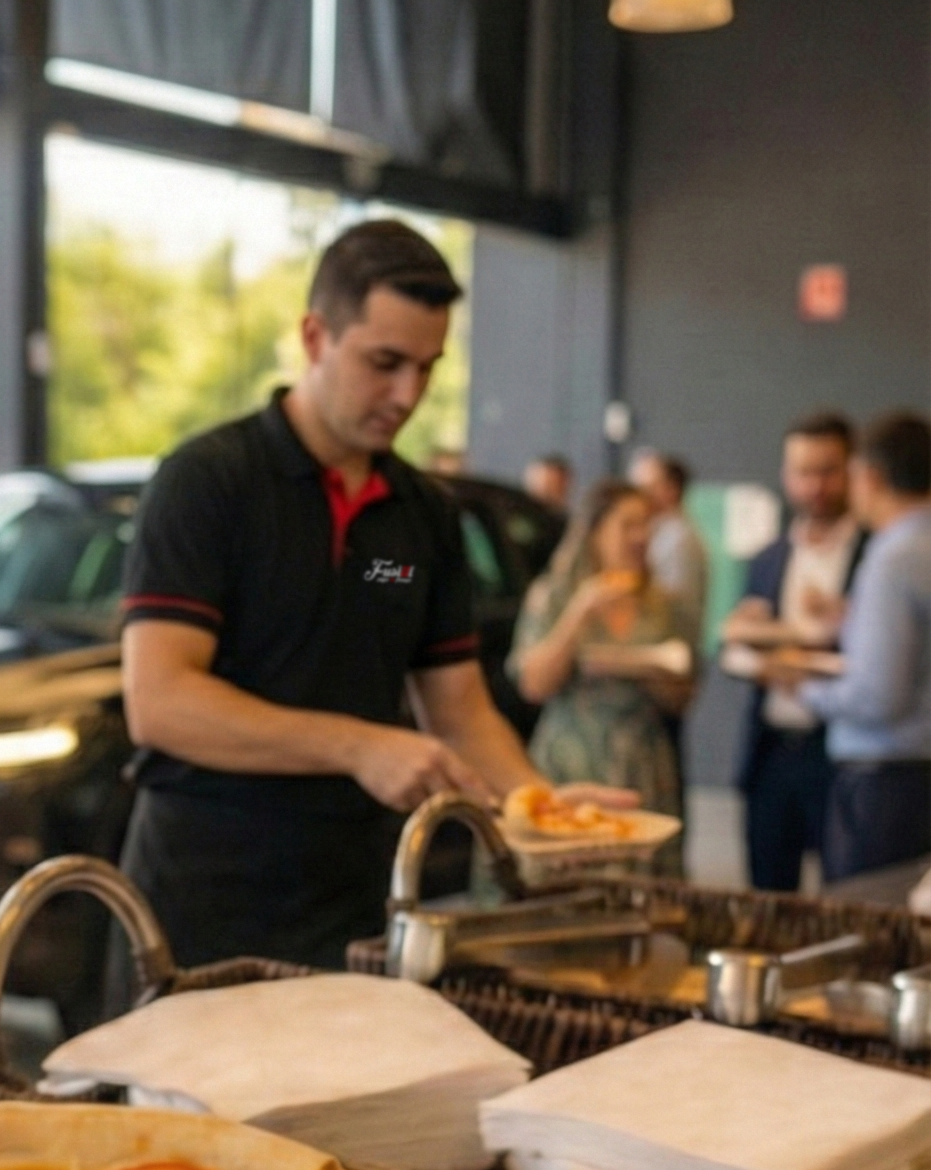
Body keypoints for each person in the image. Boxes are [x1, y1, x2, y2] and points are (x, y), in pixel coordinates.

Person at [116, 218, 618, 972]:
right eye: (385, 363)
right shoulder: (210, 485)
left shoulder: (419, 527)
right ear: (315, 336)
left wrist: (540, 809)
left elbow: (459, 710)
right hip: (201, 901)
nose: (407, 395)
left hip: (352, 897)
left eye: (428, 368)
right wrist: (357, 744)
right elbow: (159, 702)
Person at [771, 411, 931, 881]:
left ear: (870, 477)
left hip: (887, 778)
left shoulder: (893, 557)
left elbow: (878, 698)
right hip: (916, 773)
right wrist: (850, 617)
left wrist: (799, 687)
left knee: (869, 928)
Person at [720, 412, 864, 893]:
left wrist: (845, 618)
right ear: (786, 476)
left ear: (851, 471)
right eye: (804, 472)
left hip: (841, 752)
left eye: (828, 470)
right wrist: (748, 639)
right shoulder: (770, 556)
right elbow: (736, 645)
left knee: (846, 896)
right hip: (773, 749)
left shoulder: (875, 553)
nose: (815, 486)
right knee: (767, 893)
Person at [508, 479, 696, 819]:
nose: (641, 537)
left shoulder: (661, 603)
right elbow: (533, 686)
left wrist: (653, 672)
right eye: (628, 525)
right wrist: (580, 609)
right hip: (572, 757)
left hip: (643, 762)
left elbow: (681, 700)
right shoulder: (554, 595)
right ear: (595, 532)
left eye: (646, 525)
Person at [629, 449, 709, 639]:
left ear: (671, 489)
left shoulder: (679, 538)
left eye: (646, 487)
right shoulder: (661, 532)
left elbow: (672, 604)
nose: (638, 496)